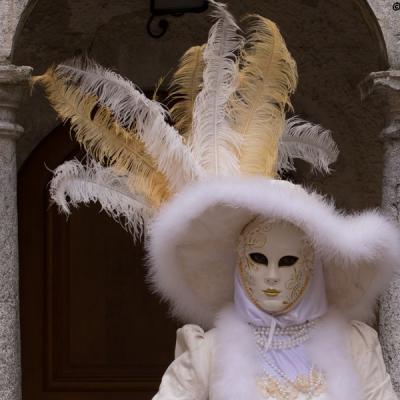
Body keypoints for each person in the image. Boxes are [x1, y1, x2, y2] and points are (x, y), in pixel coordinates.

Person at [33, 1, 399, 398]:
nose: (272, 276)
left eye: (288, 261)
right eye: (258, 259)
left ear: (313, 264)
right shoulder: (209, 352)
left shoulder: (355, 345)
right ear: (240, 263)